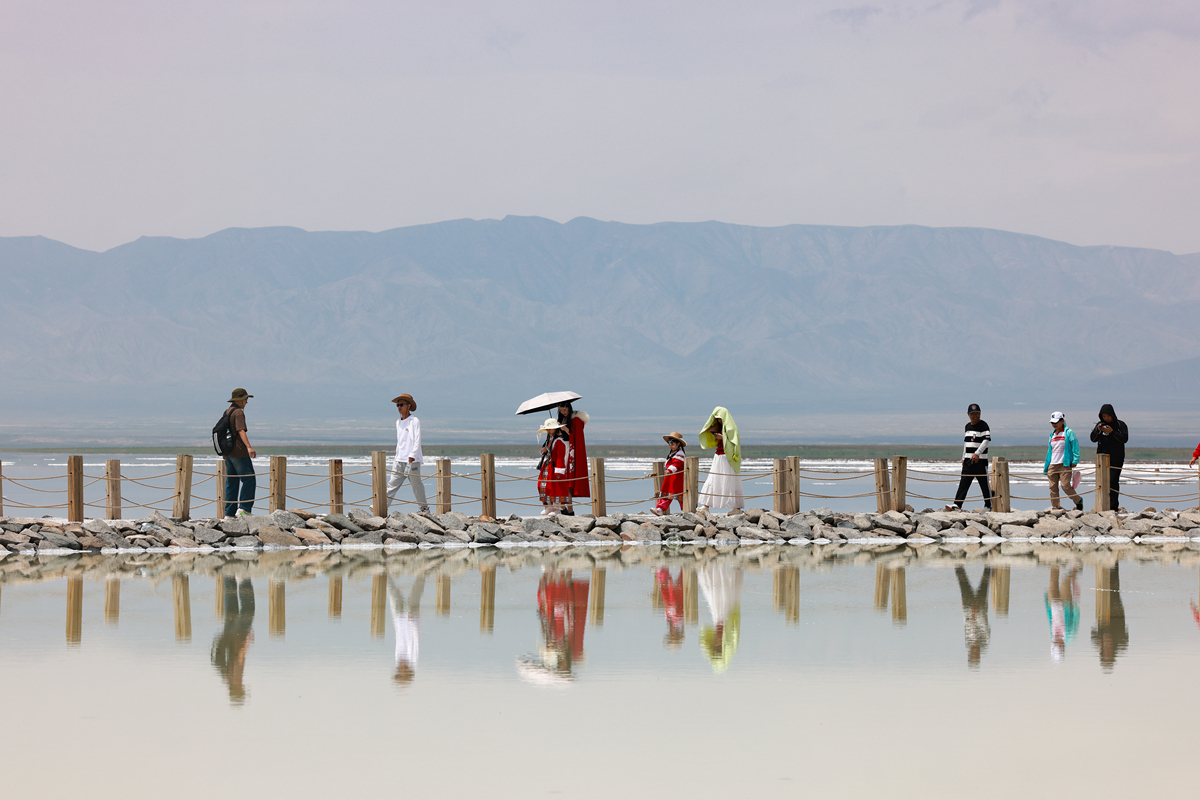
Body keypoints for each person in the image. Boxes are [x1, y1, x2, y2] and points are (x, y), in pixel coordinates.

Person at [210, 574, 255, 704]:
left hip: (238, 636)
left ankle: (243, 579)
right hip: (227, 635)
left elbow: (239, 658)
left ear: (238, 689)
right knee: (231, 608)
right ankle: (228, 574)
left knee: (248, 610)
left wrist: (246, 643)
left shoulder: (234, 679)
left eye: (242, 691)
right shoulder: (225, 678)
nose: (243, 687)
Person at [386, 393, 429, 513]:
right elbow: (400, 441)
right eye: (397, 405)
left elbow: (417, 439)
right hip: (399, 459)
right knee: (392, 484)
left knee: (416, 485)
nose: (399, 407)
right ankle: (382, 506)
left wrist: (412, 455)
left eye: (401, 405)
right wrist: (396, 456)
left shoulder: (414, 421)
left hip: (411, 460)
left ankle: (424, 508)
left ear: (408, 406)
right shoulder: (398, 422)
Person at [697, 407, 743, 510]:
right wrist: (713, 424)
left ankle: (736, 507)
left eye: (720, 418)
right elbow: (707, 429)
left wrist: (723, 437)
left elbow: (734, 442)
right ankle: (706, 505)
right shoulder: (719, 426)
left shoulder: (732, 428)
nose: (719, 420)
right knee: (713, 478)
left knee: (730, 479)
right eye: (717, 418)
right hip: (718, 455)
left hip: (728, 457)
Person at [948, 403, 992, 511]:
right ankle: (957, 505)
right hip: (968, 461)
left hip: (980, 461)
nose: (975, 415)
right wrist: (963, 457)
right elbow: (966, 444)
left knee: (984, 484)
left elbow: (986, 441)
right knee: (964, 483)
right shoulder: (967, 426)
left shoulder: (984, 425)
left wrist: (977, 453)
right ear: (968, 414)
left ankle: (988, 505)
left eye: (977, 413)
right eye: (973, 414)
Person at [223, 388, 257, 518]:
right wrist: (249, 447)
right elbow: (241, 430)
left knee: (232, 482)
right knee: (249, 479)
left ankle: (229, 513)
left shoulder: (227, 411)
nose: (246, 402)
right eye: (245, 399)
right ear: (240, 400)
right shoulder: (238, 413)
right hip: (239, 452)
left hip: (227, 452)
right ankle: (244, 509)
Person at [387, 574, 425, 687]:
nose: (400, 670)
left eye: (399, 673)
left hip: (399, 619)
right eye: (402, 673)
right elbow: (414, 637)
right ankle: (422, 573)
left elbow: (398, 637)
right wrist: (412, 621)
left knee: (393, 594)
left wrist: (400, 620)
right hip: (411, 619)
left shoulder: (398, 658)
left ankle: (385, 573)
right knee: (415, 595)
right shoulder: (412, 657)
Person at [1091, 404, 1129, 511]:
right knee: (1101, 482)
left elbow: (1124, 438)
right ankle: (1101, 506)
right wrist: (1098, 430)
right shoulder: (1100, 424)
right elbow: (1093, 439)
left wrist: (1112, 432)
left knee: (1113, 481)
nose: (1105, 418)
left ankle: (1113, 508)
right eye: (1103, 416)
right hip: (1101, 459)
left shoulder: (1120, 425)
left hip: (1116, 458)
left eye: (1107, 416)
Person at [555, 401, 590, 516]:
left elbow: (577, 437)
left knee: (568, 481)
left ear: (569, 408)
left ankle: (569, 510)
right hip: (562, 450)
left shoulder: (576, 420)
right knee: (560, 480)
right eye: (560, 410)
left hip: (571, 453)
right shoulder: (561, 419)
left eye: (564, 410)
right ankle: (563, 508)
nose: (563, 412)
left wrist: (566, 431)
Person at [1043, 411, 1083, 511]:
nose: (1054, 424)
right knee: (1052, 487)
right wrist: (1047, 465)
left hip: (1064, 464)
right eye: (1052, 422)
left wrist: (1075, 460)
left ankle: (1078, 500)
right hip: (1052, 464)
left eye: (1056, 422)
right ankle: (1056, 507)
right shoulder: (1052, 434)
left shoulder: (1069, 432)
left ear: (1061, 421)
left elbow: (1075, 447)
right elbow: (1050, 451)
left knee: (1065, 486)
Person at [955, 566, 991, 668]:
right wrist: (977, 613)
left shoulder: (968, 640)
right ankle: (988, 561)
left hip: (968, 607)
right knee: (985, 580)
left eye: (972, 654)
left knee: (962, 581)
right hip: (980, 606)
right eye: (975, 655)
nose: (973, 651)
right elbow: (984, 625)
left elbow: (966, 623)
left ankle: (957, 560)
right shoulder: (985, 641)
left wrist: (965, 609)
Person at [537, 417, 570, 516]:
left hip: (555, 468)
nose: (548, 431)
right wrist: (546, 450)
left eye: (550, 429)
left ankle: (556, 508)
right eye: (547, 429)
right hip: (548, 467)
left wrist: (559, 471)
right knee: (544, 486)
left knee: (555, 488)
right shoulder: (549, 441)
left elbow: (560, 457)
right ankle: (548, 506)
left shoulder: (559, 441)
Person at [653, 433, 687, 516]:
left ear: (678, 444)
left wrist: (670, 470)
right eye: (669, 444)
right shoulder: (673, 453)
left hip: (676, 477)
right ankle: (660, 509)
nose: (670, 446)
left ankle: (686, 510)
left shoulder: (680, 454)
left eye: (672, 444)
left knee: (679, 494)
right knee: (667, 493)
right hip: (671, 477)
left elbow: (677, 464)